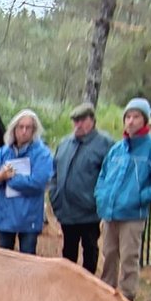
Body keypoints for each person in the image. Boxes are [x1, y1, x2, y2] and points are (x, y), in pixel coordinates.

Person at [94, 98, 151, 301]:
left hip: (132, 215)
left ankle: (126, 297)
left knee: (129, 257)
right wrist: (101, 195)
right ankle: (106, 293)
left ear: (145, 120)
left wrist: (142, 197)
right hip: (110, 212)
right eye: (128, 117)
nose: (130, 121)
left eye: (136, 117)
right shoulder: (116, 149)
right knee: (109, 254)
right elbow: (103, 176)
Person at [51, 102, 113, 272]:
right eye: (75, 121)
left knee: (90, 251)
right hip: (66, 210)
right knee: (68, 251)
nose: (77, 125)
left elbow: (111, 177)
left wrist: (97, 201)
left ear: (92, 120)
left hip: (89, 212)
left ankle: (89, 285)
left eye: (81, 120)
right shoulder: (64, 143)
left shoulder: (105, 144)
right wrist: (54, 196)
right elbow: (54, 173)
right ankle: (68, 286)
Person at [0, 110, 54, 254]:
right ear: (14, 129)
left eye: (28, 127)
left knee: (27, 262)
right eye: (20, 127)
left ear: (34, 130)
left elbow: (39, 182)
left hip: (29, 217)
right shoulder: (3, 152)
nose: (24, 131)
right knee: (4, 261)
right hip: (5, 216)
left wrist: (11, 179)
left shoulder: (42, 154)